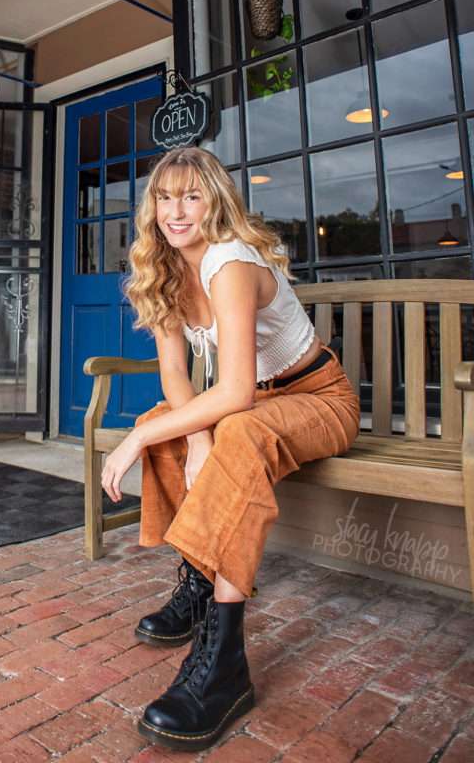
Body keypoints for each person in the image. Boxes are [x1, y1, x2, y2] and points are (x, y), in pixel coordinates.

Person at [101, 146, 360, 753]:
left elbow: (237, 391)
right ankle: (195, 583)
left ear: (213, 199)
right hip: (261, 403)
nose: (176, 211)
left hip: (318, 396)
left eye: (191, 196)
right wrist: (188, 435)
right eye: (165, 198)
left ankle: (223, 661)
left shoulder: (230, 261)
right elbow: (176, 379)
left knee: (227, 430)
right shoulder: (160, 272)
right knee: (168, 416)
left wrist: (137, 440)